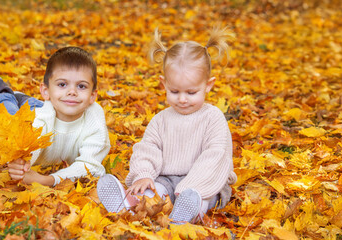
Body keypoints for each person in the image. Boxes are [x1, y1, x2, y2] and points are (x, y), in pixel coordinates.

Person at [97, 28, 238, 224]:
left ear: (208, 85)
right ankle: (131, 205)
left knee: (201, 197)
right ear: (163, 84)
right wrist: (144, 175)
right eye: (174, 91)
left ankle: (189, 213)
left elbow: (215, 156)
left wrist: (190, 186)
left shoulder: (212, 117)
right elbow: (148, 149)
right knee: (154, 189)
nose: (182, 99)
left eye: (191, 92)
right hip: (167, 178)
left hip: (206, 182)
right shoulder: (161, 120)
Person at [0, 46, 111, 186]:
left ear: (93, 95)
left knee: (38, 106)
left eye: (81, 86)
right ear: (45, 91)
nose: (72, 91)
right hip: (37, 115)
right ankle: (1, 93)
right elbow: (28, 147)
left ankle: (26, 101)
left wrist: (48, 180)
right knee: (9, 117)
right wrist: (21, 163)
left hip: (48, 106)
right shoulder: (40, 120)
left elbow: (90, 165)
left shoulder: (95, 120)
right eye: (62, 84)